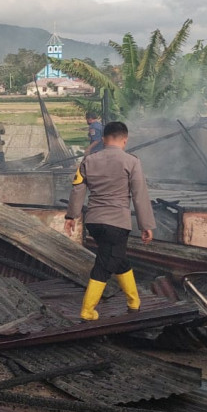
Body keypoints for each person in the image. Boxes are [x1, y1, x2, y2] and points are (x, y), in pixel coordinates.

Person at [64, 121, 155, 321]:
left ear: (103, 139)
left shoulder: (88, 161)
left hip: (95, 222)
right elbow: (140, 195)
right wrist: (146, 225)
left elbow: (77, 188)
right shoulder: (131, 161)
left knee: (119, 259)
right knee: (104, 264)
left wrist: (71, 216)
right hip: (117, 222)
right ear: (125, 140)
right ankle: (87, 311)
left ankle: (134, 303)